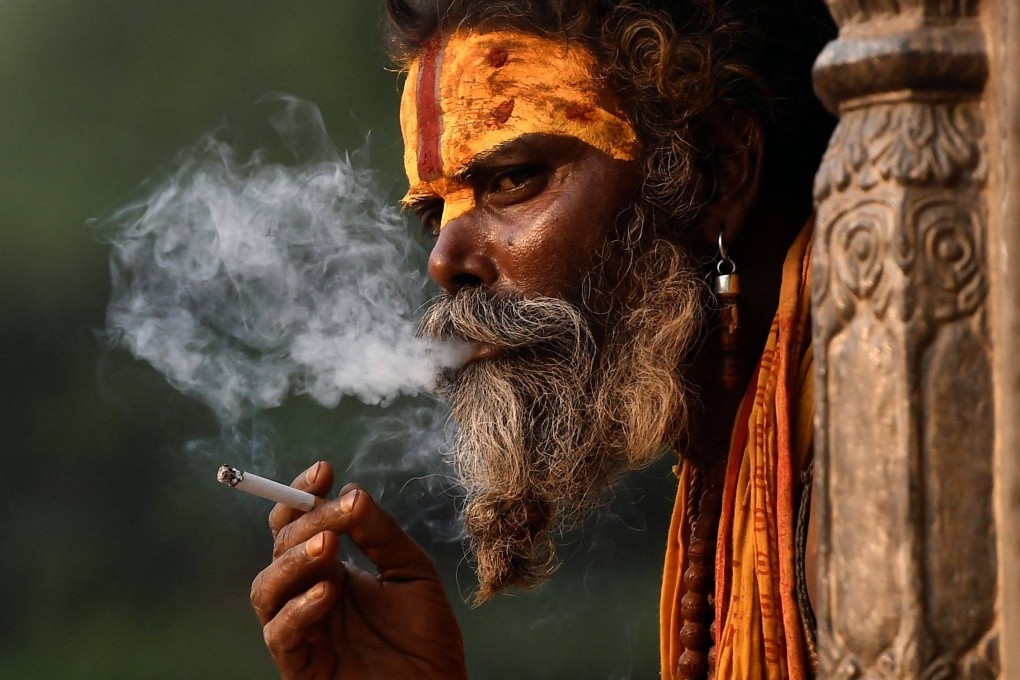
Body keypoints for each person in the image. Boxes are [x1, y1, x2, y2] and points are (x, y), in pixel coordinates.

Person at [247, 1, 835, 678]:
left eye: (512, 179)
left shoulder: (871, 442)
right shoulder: (733, 464)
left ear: (714, 168)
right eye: (434, 213)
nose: (443, 260)